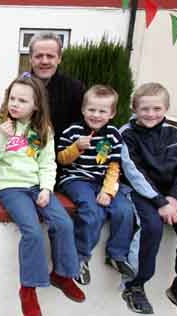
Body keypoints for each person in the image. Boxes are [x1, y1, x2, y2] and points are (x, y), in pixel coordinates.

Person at [0, 76, 84, 316]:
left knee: (64, 223)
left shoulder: (43, 128)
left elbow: (48, 163)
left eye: (22, 100)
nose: (15, 104)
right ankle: (28, 289)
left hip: (36, 186)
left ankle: (62, 274)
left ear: (36, 105)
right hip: (9, 187)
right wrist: (1, 137)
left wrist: (47, 188)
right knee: (33, 232)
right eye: (12, 99)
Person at [120, 83, 177, 316]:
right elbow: (134, 172)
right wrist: (161, 201)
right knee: (152, 226)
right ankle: (134, 285)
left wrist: (175, 197)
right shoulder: (126, 135)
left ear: (166, 108)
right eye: (144, 109)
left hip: (174, 194)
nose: (151, 114)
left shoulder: (174, 134)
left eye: (157, 109)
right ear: (134, 109)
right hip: (142, 193)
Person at [56, 85, 135, 285]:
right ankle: (80, 257)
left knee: (125, 210)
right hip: (75, 179)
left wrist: (108, 192)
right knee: (91, 210)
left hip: (102, 181)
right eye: (91, 110)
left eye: (102, 111)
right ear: (83, 109)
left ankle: (116, 255)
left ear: (112, 113)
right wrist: (76, 148)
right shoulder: (73, 131)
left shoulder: (114, 135)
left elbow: (114, 167)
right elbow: (61, 159)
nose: (96, 115)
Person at [21, 31, 85, 144]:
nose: (44, 61)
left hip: (62, 158)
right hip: (22, 157)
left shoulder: (76, 90)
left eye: (50, 56)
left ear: (59, 58)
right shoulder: (19, 88)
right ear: (30, 58)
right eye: (38, 56)